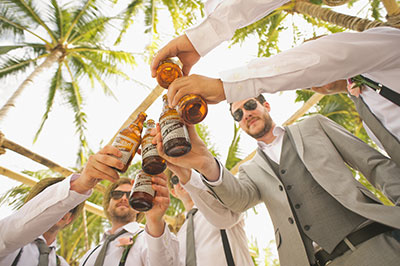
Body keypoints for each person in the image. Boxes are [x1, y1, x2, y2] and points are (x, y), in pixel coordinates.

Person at [153, 94, 400, 266]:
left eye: (250, 105)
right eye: (238, 114)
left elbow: (373, 165)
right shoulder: (251, 170)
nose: (246, 114)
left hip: (372, 246)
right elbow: (237, 202)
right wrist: (205, 161)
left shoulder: (313, 126)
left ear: (266, 105)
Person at [150, 0, 400, 165]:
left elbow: (327, 56)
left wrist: (225, 86)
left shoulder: (387, 44)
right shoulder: (365, 101)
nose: (312, 83)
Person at [79, 174, 179, 266]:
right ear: (107, 205)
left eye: (130, 195)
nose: (123, 198)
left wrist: (155, 221)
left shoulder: (151, 240)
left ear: (138, 208)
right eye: (117, 194)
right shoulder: (88, 255)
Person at [166, 169, 254, 266]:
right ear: (174, 192)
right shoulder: (179, 235)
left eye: (186, 171)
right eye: (175, 179)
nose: (181, 178)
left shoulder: (222, 206)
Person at [0, 177, 86, 266]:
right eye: (53, 204)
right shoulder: (8, 244)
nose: (59, 211)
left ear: (70, 218)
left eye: (68, 207)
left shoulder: (62, 264)